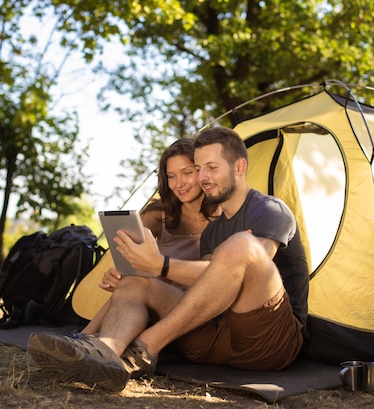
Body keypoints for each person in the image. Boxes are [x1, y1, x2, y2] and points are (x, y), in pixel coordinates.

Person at [28, 126, 309, 393]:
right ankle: (104, 353)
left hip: (267, 341)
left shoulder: (270, 210)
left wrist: (161, 265)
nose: (203, 177)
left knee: (242, 245)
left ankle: (143, 350)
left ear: (239, 167)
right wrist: (147, 271)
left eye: (212, 167)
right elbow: (211, 282)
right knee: (136, 279)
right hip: (212, 341)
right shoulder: (213, 230)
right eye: (199, 169)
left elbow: (246, 269)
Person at [76, 137, 216, 337]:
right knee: (133, 280)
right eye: (171, 176)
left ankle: (91, 338)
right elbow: (132, 264)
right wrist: (118, 275)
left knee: (145, 281)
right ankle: (85, 336)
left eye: (187, 173)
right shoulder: (159, 214)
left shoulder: (222, 215)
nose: (179, 184)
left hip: (197, 309)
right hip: (154, 300)